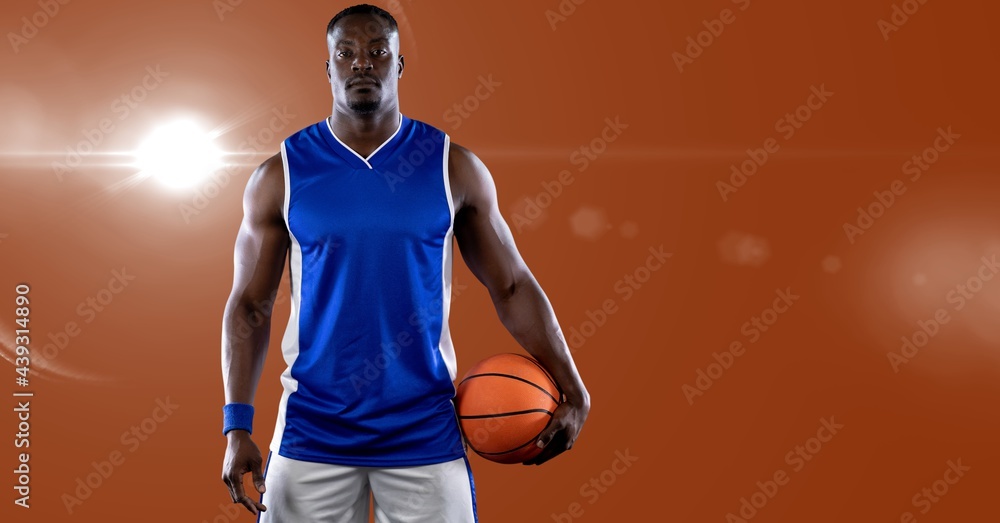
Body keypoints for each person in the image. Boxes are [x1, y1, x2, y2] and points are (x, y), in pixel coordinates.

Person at [220, 4, 590, 522]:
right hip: (313, 429)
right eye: (346, 54)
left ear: (399, 64)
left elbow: (510, 286)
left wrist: (573, 387)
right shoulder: (280, 174)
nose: (362, 65)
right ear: (328, 67)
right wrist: (237, 424)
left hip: (425, 429)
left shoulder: (451, 166)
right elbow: (249, 307)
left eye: (378, 52)